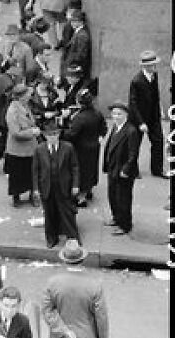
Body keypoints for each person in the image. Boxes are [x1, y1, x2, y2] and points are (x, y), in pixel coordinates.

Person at [41, 239, 109, 338]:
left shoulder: (52, 283)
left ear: (65, 260)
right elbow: (101, 316)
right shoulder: (94, 285)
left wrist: (64, 330)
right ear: (82, 259)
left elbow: (47, 311)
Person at [32, 121, 81, 249]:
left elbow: (75, 167)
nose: (52, 137)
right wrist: (36, 189)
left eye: (55, 134)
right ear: (44, 135)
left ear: (59, 134)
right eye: (49, 135)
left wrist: (75, 185)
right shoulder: (39, 149)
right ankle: (51, 238)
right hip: (47, 187)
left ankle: (73, 238)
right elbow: (35, 170)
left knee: (67, 212)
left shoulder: (68, 147)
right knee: (49, 213)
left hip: (64, 186)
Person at [62, 89, 107, 206]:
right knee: (91, 170)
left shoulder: (79, 118)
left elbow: (72, 134)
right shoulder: (98, 113)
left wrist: (62, 131)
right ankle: (89, 190)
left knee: (81, 171)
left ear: (79, 102)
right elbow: (104, 128)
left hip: (80, 148)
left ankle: (81, 198)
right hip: (94, 146)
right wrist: (100, 137)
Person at [102, 101, 140, 236]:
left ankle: (125, 225)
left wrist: (126, 169)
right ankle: (116, 218)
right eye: (114, 114)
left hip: (123, 171)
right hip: (113, 168)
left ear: (126, 115)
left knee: (123, 198)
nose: (116, 116)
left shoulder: (131, 131)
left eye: (119, 114)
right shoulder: (115, 127)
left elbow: (133, 153)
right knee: (112, 195)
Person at [127, 50, 166, 178]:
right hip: (139, 117)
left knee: (158, 141)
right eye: (152, 65)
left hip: (153, 116)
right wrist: (141, 123)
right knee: (135, 144)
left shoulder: (154, 75)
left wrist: (159, 108)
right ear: (145, 66)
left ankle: (157, 169)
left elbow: (156, 94)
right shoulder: (136, 81)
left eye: (155, 64)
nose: (154, 67)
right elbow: (133, 104)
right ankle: (133, 170)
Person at [5, 83, 40, 207]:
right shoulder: (12, 111)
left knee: (32, 173)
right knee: (17, 175)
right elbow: (15, 132)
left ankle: (32, 195)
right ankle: (16, 197)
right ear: (21, 96)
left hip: (30, 148)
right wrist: (32, 132)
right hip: (17, 149)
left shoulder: (25, 106)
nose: (30, 96)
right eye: (28, 94)